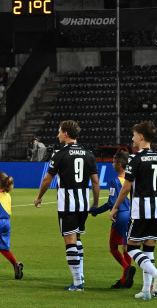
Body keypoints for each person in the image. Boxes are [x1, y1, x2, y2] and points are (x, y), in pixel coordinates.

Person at [34, 120, 99, 291]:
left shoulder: (60, 154)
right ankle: (80, 275)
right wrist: (95, 202)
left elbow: (48, 178)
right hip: (83, 204)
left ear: (66, 134)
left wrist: (39, 197)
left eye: (59, 131)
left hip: (67, 204)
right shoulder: (88, 154)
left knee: (69, 240)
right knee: (77, 239)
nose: (57, 134)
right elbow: (95, 181)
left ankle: (77, 283)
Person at [108, 121, 157, 300]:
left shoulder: (135, 159)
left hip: (141, 209)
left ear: (141, 137)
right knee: (148, 250)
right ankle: (146, 290)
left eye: (134, 135)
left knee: (132, 247)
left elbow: (126, 187)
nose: (132, 138)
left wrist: (115, 207)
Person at [89, 150, 136, 289]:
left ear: (120, 164)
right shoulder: (132, 181)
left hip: (120, 217)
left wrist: (96, 210)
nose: (112, 164)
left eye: (114, 162)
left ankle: (127, 268)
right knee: (126, 247)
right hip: (133, 216)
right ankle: (125, 280)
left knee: (113, 248)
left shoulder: (115, 181)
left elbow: (111, 203)